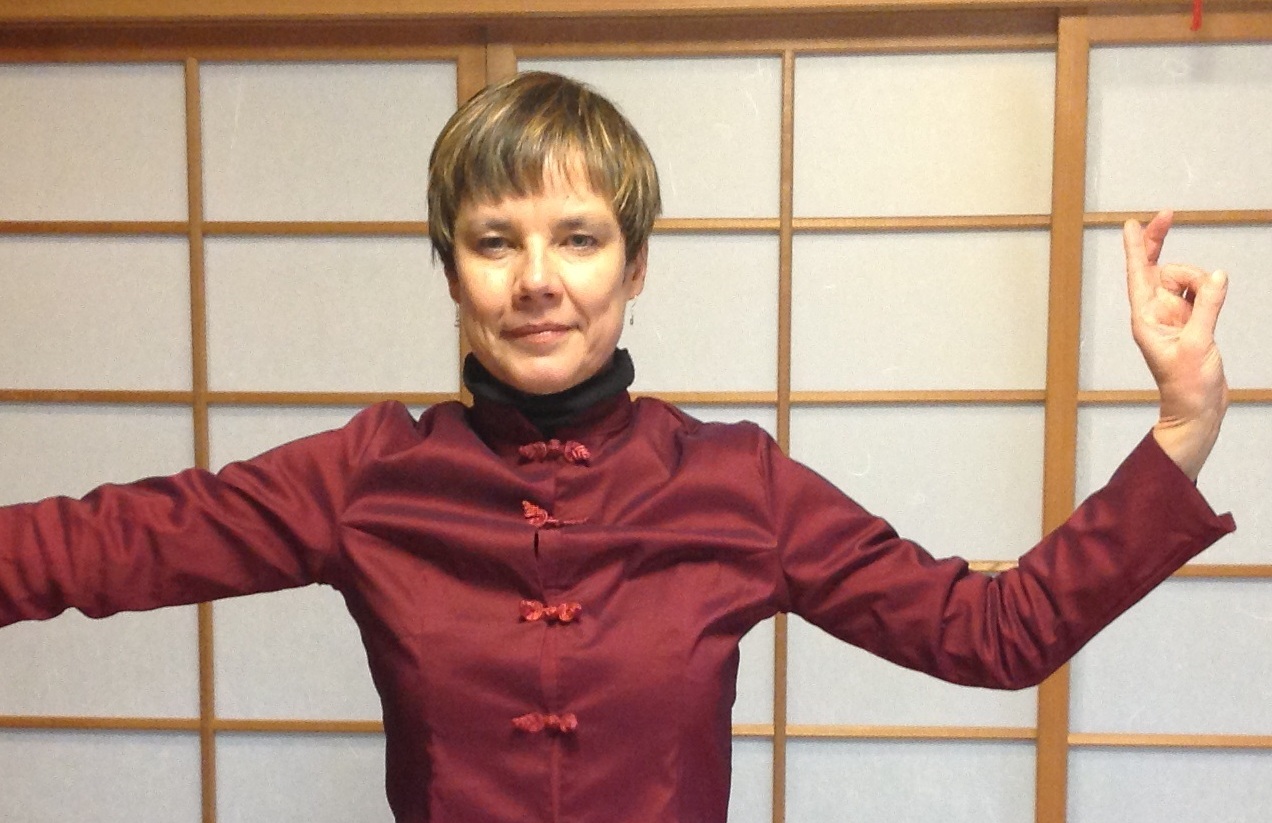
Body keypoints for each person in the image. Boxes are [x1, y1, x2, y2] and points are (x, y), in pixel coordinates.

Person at [0, 71, 1235, 822]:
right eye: (495, 241)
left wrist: (1180, 431)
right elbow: (100, 545)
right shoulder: (369, 478)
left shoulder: (737, 484)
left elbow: (992, 631)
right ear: (451, 274)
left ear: (634, 267)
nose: (538, 280)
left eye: (580, 239)